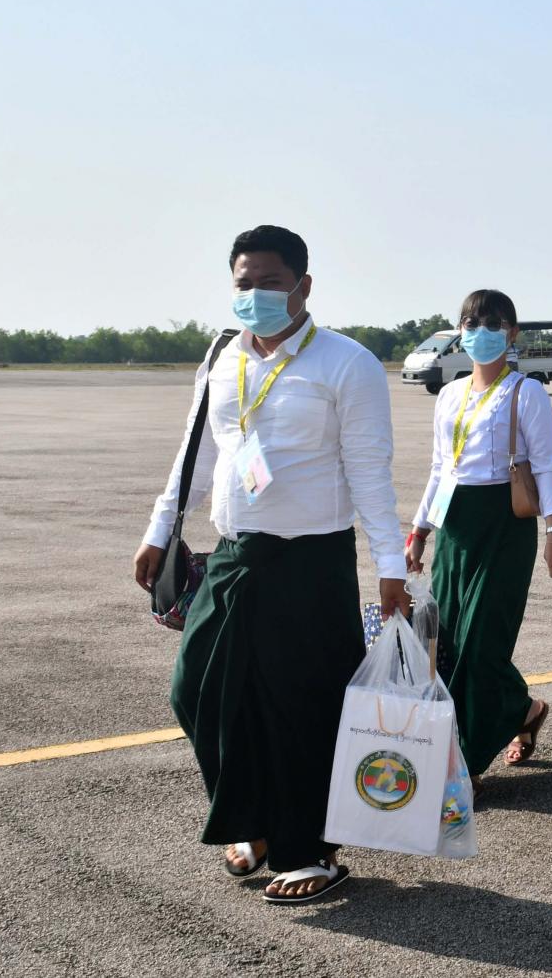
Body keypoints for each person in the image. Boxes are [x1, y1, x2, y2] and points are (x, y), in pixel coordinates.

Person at [133, 224, 406, 905]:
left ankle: (309, 852)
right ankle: (250, 820)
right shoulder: (222, 357)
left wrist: (390, 567)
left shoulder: (347, 363)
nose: (255, 294)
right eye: (244, 283)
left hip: (311, 560)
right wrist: (160, 528)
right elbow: (197, 453)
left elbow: (370, 472)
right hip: (234, 554)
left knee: (300, 708)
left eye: (270, 283)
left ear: (303, 286)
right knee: (196, 689)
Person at [406, 289, 552, 794]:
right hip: (455, 526)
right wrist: (419, 531)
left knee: (483, 647)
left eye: (493, 324)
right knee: (449, 646)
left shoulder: (527, 391)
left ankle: (467, 765)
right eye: (471, 323)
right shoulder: (450, 393)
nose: (480, 332)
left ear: (512, 333)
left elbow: (544, 466)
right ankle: (525, 710)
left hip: (504, 524)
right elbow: (440, 468)